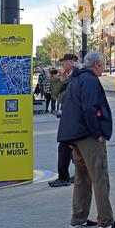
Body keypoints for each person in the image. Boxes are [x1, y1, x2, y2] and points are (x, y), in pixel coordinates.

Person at [57, 51, 115, 228]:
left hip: (74, 135)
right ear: (96, 64)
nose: (103, 68)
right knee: (100, 177)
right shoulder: (89, 80)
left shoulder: (77, 78)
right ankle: (106, 221)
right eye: (103, 64)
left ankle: (78, 219)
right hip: (88, 135)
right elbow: (89, 108)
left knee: (82, 177)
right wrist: (97, 133)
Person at [48, 54, 79, 188]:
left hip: (73, 119)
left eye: (64, 63)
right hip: (69, 117)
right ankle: (77, 174)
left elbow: (62, 98)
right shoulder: (68, 77)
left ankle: (64, 177)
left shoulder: (77, 76)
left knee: (65, 148)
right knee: (70, 148)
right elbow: (56, 95)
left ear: (72, 63)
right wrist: (62, 80)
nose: (62, 65)